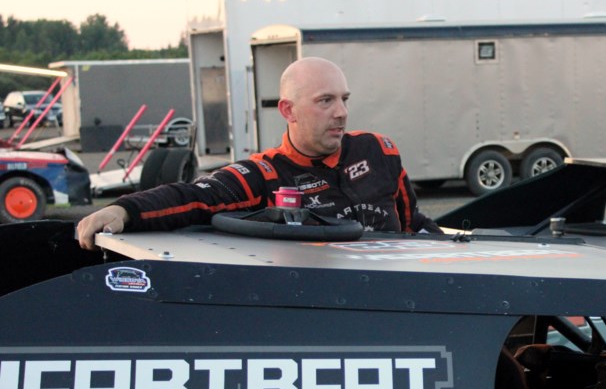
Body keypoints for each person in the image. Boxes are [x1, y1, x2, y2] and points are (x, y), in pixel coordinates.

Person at [77, 57, 439, 250]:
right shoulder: (265, 173)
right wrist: (122, 209)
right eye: (325, 101)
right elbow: (193, 197)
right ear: (288, 110)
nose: (341, 112)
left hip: (399, 300)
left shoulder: (379, 149)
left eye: (344, 99)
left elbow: (413, 226)